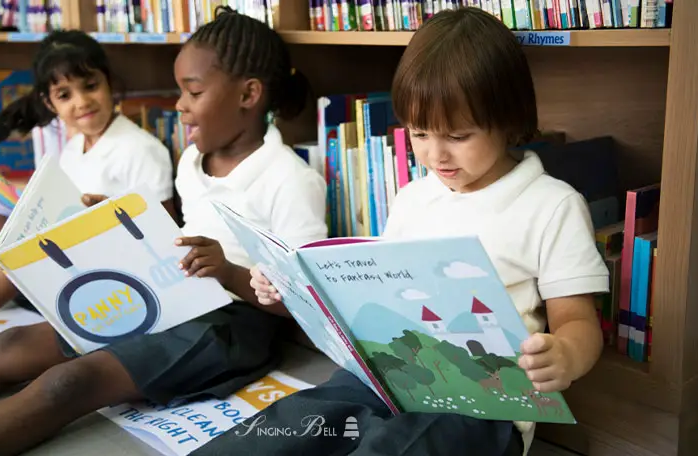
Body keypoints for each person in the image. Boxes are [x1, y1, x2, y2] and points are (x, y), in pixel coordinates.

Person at [0, 7, 327, 456]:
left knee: (68, 383)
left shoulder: (291, 180)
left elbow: (305, 302)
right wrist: (118, 225)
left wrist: (228, 273)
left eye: (192, 91)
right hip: (171, 292)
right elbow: (186, 235)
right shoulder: (193, 163)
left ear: (248, 94)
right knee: (12, 347)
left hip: (228, 326)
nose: (178, 104)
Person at [195, 7, 609, 456]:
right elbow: (374, 298)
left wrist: (565, 354)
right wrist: (289, 286)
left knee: (398, 446)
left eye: (459, 135)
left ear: (508, 120)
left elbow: (578, 321)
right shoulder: (414, 197)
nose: (436, 154)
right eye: (419, 134)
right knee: (292, 425)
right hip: (389, 375)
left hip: (481, 405)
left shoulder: (550, 205)